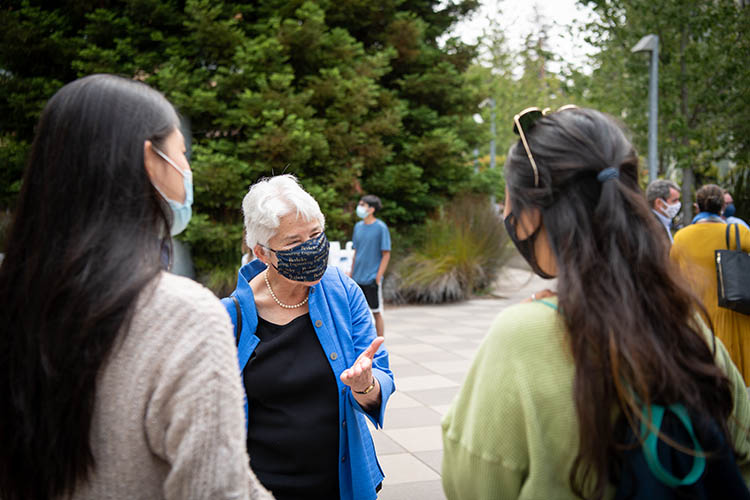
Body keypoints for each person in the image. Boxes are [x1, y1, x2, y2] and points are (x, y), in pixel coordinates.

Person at [442, 107, 750, 499]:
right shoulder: (686, 320)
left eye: (509, 200)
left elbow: (470, 484)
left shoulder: (520, 337)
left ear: (534, 211)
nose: (506, 213)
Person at [0, 75, 272, 500]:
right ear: (151, 159)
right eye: (182, 154)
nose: (187, 171)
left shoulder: (16, 300)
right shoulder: (185, 317)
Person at [223, 175, 395, 500]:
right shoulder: (230, 317)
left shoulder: (343, 291)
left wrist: (365, 386)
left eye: (316, 234)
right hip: (262, 486)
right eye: (293, 242)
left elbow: (381, 377)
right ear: (262, 253)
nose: (311, 248)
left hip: (342, 479)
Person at [671, 184, 750, 383]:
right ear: (723, 207)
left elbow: (672, 274)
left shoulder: (681, 237)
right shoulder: (737, 232)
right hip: (734, 312)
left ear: (697, 207)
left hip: (700, 317)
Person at [349, 195, 391, 337]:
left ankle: (380, 345)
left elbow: (386, 254)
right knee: (356, 313)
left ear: (371, 209)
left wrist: (378, 277)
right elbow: (356, 252)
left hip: (372, 279)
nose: (359, 207)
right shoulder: (358, 227)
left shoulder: (381, 228)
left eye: (363, 205)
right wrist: (351, 272)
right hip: (357, 277)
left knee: (376, 312)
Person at [645, 179, 681, 243]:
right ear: (659, 203)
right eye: (674, 201)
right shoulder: (650, 228)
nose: (678, 204)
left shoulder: (664, 223)